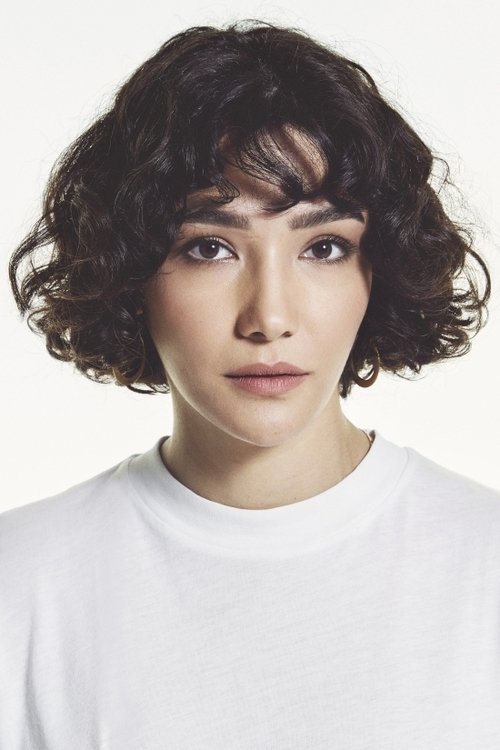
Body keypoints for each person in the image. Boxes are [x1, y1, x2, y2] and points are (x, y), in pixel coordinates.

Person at [2, 20, 500, 749]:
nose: (270, 317)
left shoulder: (485, 565)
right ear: (131, 273)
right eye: (210, 248)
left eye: (323, 247)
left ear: (379, 271)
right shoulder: (21, 585)